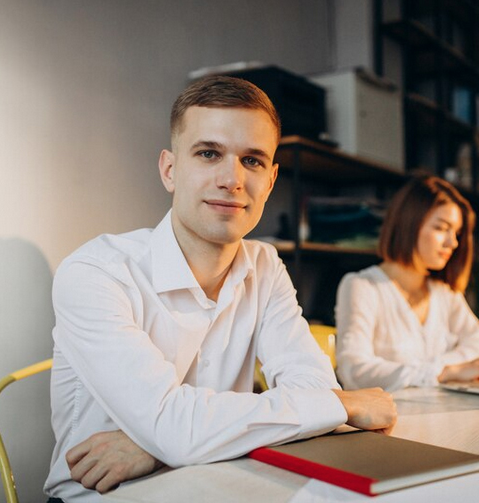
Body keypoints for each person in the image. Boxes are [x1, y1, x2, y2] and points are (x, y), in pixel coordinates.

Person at [44, 76, 397, 502]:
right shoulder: (94, 273)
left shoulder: (264, 265)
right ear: (170, 170)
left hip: (225, 479)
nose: (232, 179)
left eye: (252, 161)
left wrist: (156, 447)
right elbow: (322, 404)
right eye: (209, 153)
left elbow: (313, 388)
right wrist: (343, 405)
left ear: (269, 180)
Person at [335, 174, 479, 392]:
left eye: (456, 233)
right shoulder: (362, 286)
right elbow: (354, 371)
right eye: (442, 228)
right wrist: (447, 371)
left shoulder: (444, 293)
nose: (452, 243)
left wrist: (435, 370)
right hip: (391, 421)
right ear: (409, 224)